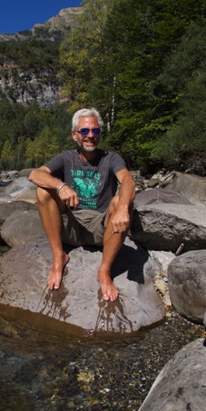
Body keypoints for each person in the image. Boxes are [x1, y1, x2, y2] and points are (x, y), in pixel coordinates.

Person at [28, 107, 135, 302]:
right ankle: (59, 256)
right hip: (71, 226)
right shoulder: (66, 157)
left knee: (123, 201)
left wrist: (122, 208)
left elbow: (127, 180)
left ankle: (104, 271)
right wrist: (60, 186)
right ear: (75, 135)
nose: (90, 136)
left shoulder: (111, 158)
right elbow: (35, 175)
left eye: (95, 131)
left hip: (101, 230)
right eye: (84, 131)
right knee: (43, 190)